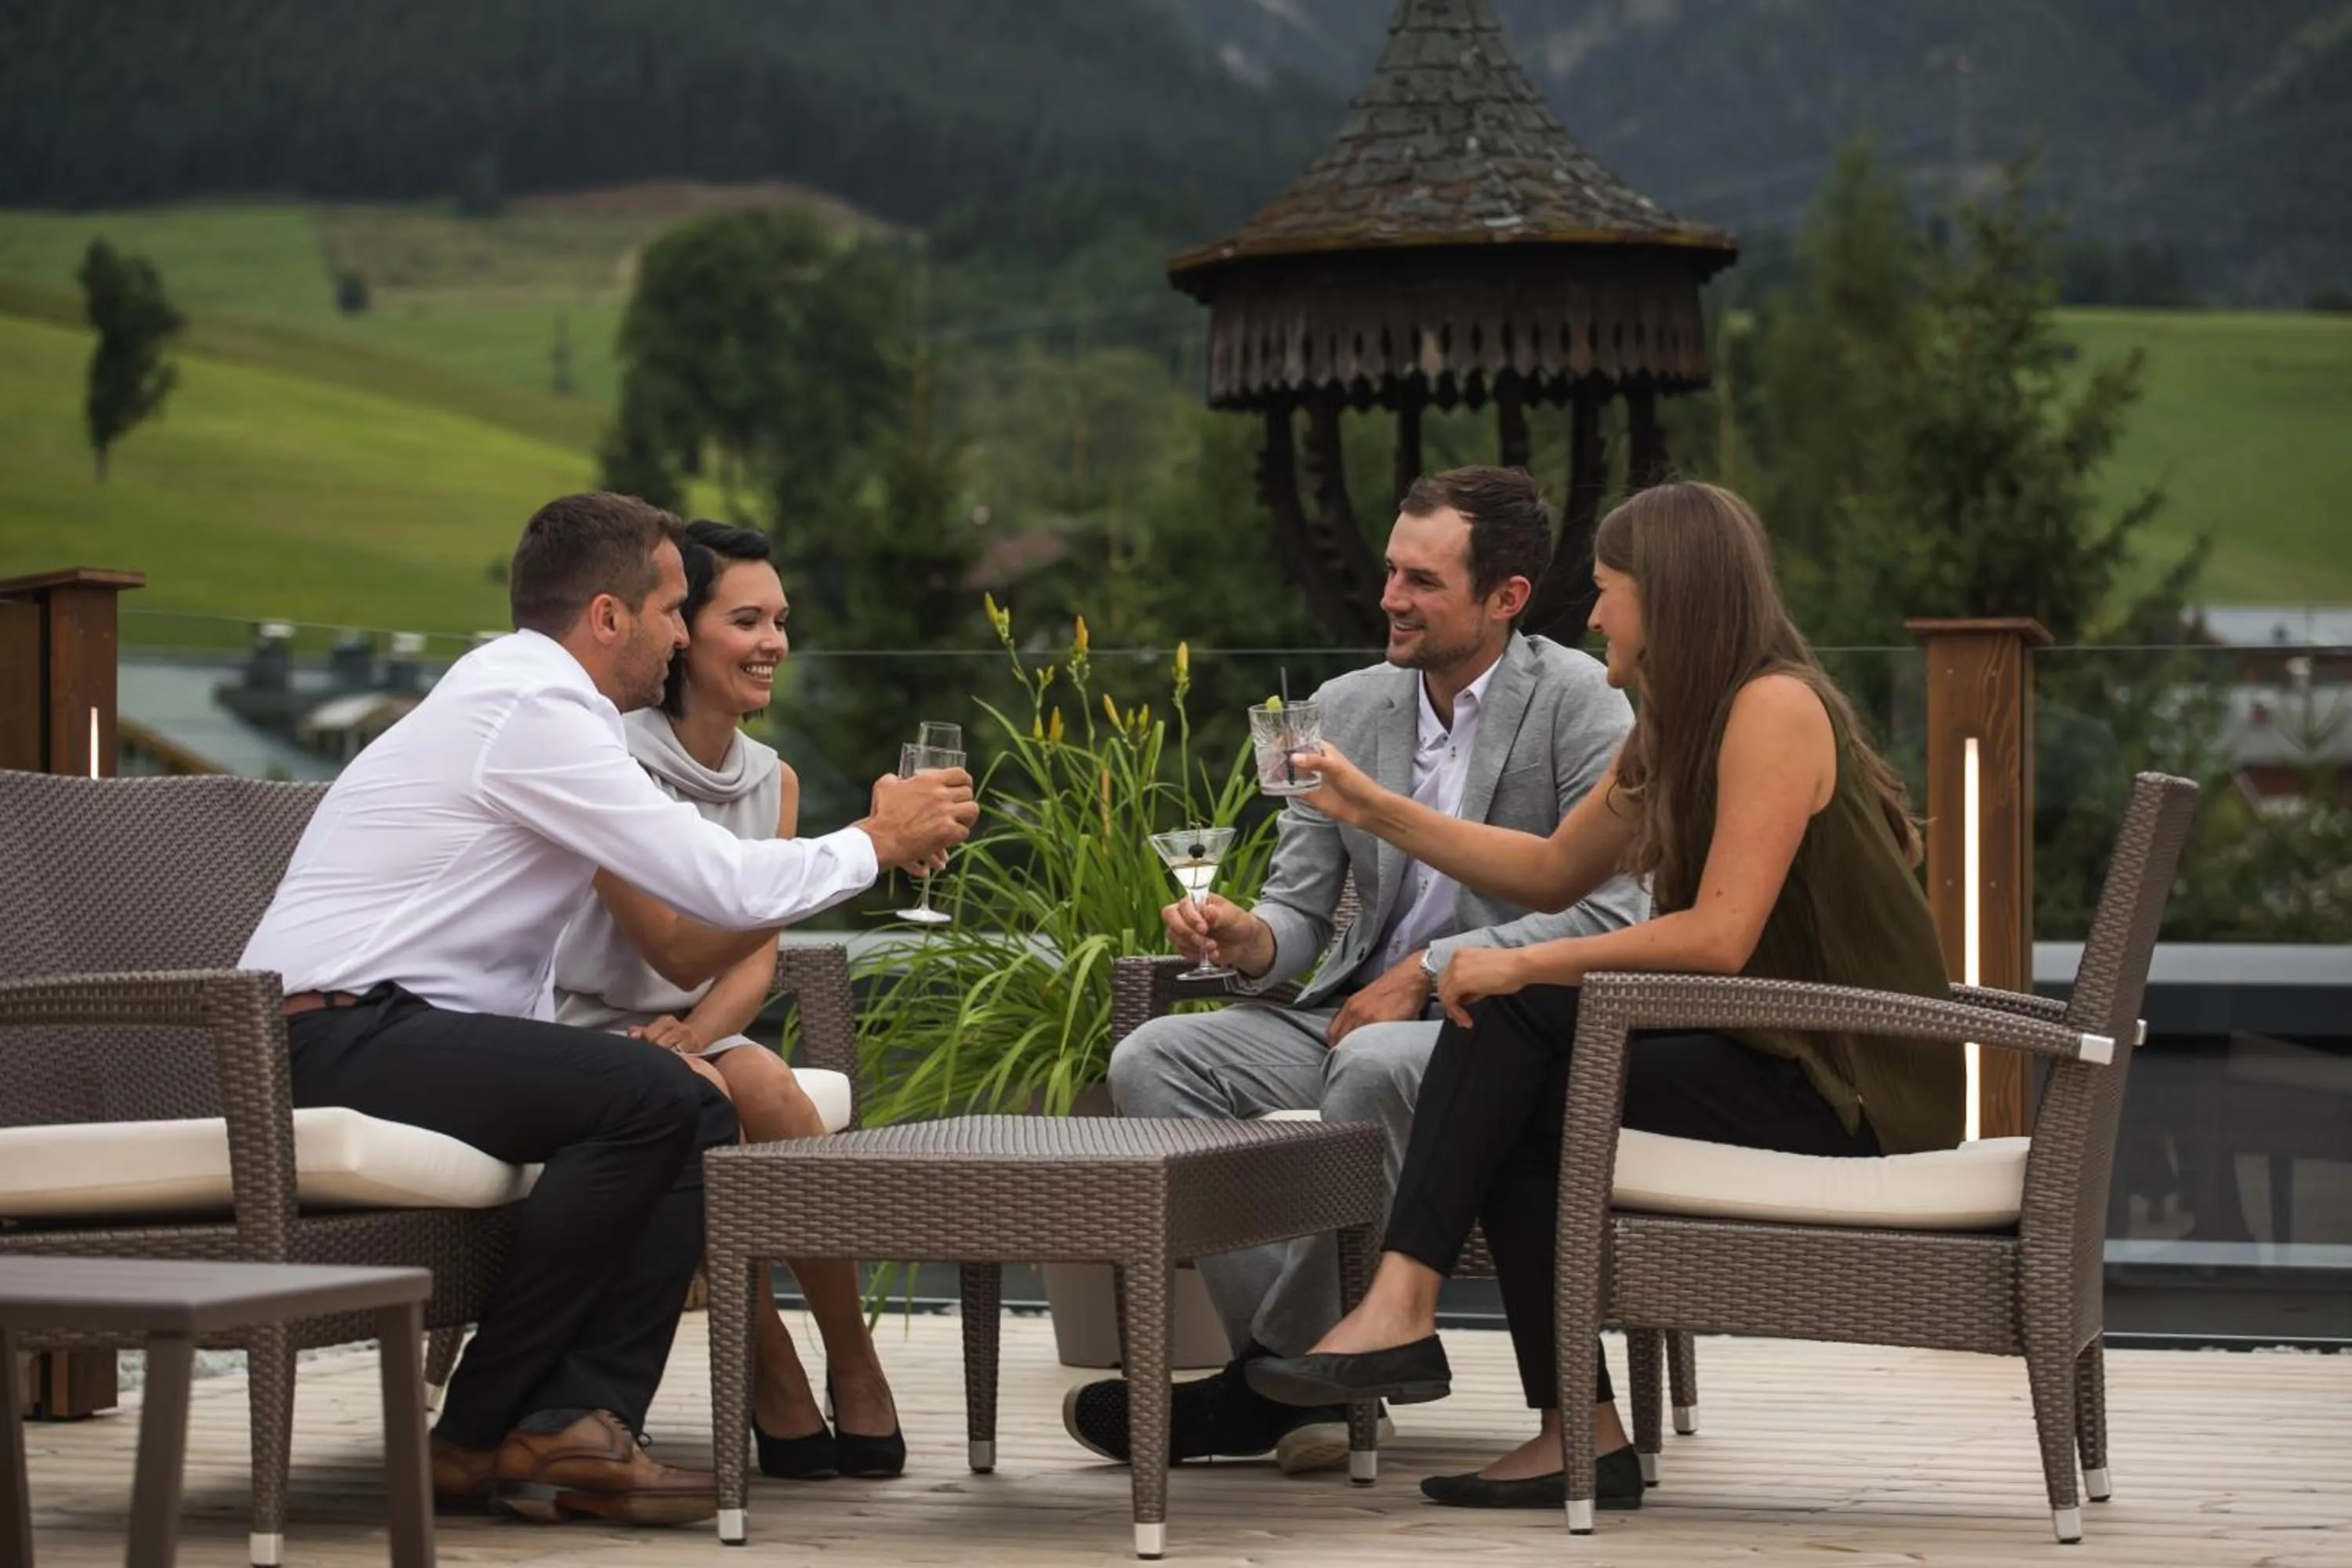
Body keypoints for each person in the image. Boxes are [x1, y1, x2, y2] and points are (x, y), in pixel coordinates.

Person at [240, 492, 975, 1526]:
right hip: (332, 1034)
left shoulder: (524, 704)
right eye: (675, 609)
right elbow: (714, 886)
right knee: (662, 1100)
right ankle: (513, 1430)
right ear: (607, 616)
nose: (682, 633)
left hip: (381, 1030)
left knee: (669, 1094)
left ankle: (550, 1429)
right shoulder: (534, 710)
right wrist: (878, 839)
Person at [1242, 480, 1960, 1512]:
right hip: (1763, 1050)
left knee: (1514, 1018)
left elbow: (1718, 937)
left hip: (1845, 1082)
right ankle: (1575, 1429)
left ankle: (1408, 1310)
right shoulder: (1680, 722)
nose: (1591, 614)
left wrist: (1512, 965)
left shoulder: (1772, 710)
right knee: (1516, 1071)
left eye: (1611, 590)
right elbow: (1546, 872)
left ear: (1671, 597)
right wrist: (1371, 806)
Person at [1065, 467, 1646, 1473]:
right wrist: (1249, 938)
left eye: (1421, 580)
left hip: (1496, 1022)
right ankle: (1302, 1378)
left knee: (1375, 1064)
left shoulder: (1583, 705)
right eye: (1388, 571)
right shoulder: (1335, 706)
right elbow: (1299, 911)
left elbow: (1609, 908)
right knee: (1155, 1057)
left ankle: (1267, 1388)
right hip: (1344, 1009)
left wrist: (1433, 966)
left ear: (1505, 598)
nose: (1389, 597)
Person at [551, 519, 903, 1481]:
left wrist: (698, 1034)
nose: (773, 644)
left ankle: (852, 1354)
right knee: (709, 1103)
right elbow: (667, 935)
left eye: (781, 620)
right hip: (587, 1025)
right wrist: (679, 1046)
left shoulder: (772, 777)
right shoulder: (609, 759)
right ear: (681, 633)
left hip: (694, 1025)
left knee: (771, 1095)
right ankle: (773, 1368)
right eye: (744, 619)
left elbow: (755, 953)